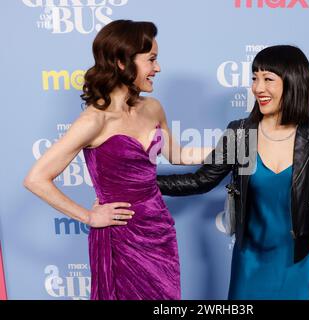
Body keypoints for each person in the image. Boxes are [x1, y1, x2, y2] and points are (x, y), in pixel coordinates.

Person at [23, 20, 211, 300]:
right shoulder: (93, 121)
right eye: (151, 60)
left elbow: (179, 154)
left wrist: (240, 147)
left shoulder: (152, 107)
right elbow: (35, 179)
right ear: (122, 62)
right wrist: (88, 216)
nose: (157, 68)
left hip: (158, 231)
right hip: (120, 237)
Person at [157, 45, 309, 300]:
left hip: (298, 261)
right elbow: (201, 181)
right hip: (250, 260)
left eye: (268, 79)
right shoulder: (242, 133)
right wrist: (140, 181)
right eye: (255, 78)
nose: (257, 88)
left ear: (293, 82)